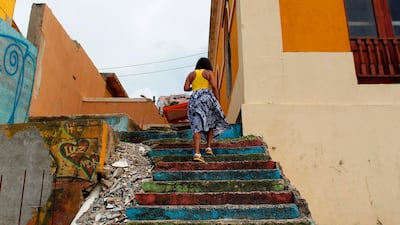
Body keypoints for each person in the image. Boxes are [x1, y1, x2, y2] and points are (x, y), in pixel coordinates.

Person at [184, 57, 230, 162]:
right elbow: (214, 86)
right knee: (211, 121)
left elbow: (186, 88)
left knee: (197, 125)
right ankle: (208, 147)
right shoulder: (209, 73)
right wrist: (217, 100)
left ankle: (197, 153)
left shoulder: (191, 74)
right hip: (207, 98)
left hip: (195, 99)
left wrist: (195, 88)